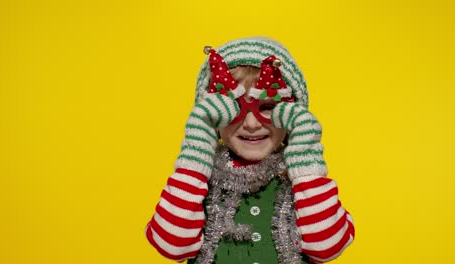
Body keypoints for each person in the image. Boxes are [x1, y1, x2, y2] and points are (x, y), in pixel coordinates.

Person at [144, 37, 355, 264]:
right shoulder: (196, 183)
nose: (252, 124)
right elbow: (172, 246)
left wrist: (306, 154)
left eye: (268, 107)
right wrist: (198, 148)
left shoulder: (304, 183)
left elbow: (326, 248)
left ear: (292, 113)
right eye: (234, 107)